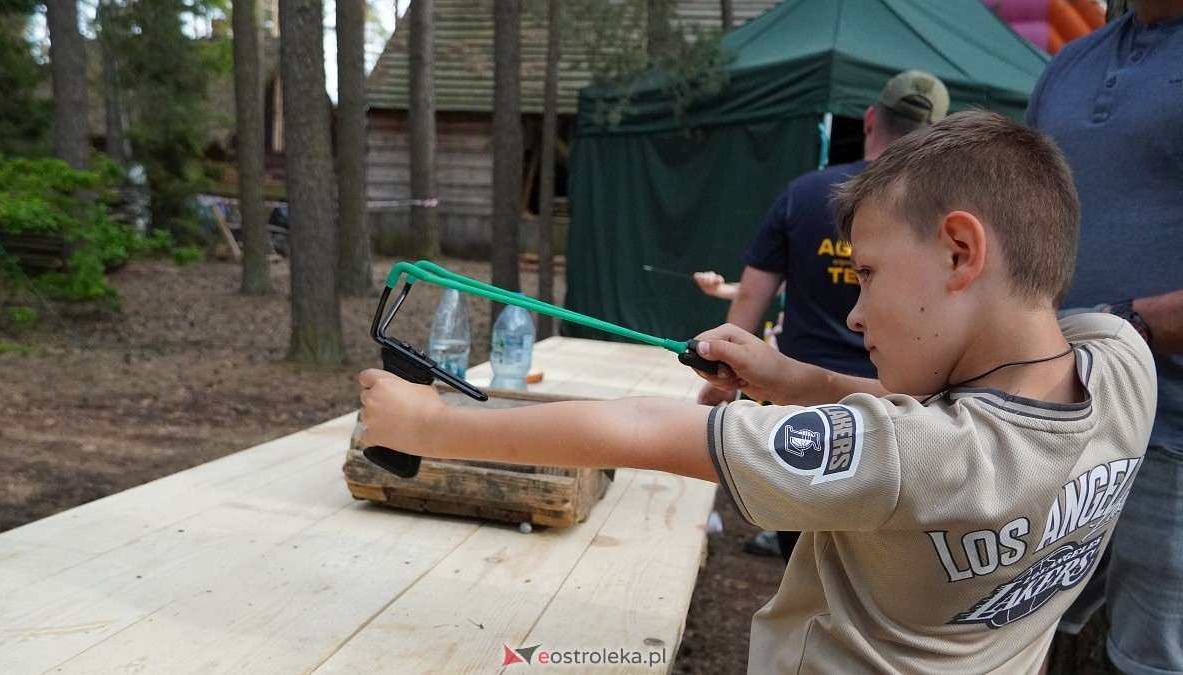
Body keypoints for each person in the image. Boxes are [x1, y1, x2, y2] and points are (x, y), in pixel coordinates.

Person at [359, 111, 1157, 673]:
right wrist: (792, 378)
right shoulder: (1120, 363)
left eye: (869, 273)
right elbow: (969, 419)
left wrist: (433, 423)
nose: (854, 309)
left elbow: (644, 429)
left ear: (959, 250)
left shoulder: (906, 459)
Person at [698, 69, 950, 559]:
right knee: (877, 559)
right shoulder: (944, 214)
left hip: (799, 404)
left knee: (803, 553)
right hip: (900, 410)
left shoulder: (805, 192)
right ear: (937, 137)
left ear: (872, 118)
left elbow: (753, 295)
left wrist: (720, 369)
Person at [1025, 2, 1183, 673]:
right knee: (1012, 626)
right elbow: (1021, 217)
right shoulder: (1070, 62)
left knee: (1152, 658)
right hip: (1050, 419)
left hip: (1172, 435)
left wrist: (1128, 323)